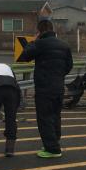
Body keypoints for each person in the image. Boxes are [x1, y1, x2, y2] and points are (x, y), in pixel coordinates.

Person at [20, 19, 73, 158]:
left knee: (44, 117)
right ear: (52, 29)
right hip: (59, 87)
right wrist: (58, 75)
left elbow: (25, 56)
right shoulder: (64, 45)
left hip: (44, 88)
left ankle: (52, 149)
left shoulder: (39, 44)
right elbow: (69, 66)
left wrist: (33, 41)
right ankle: (54, 142)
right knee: (55, 116)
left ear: (40, 31)